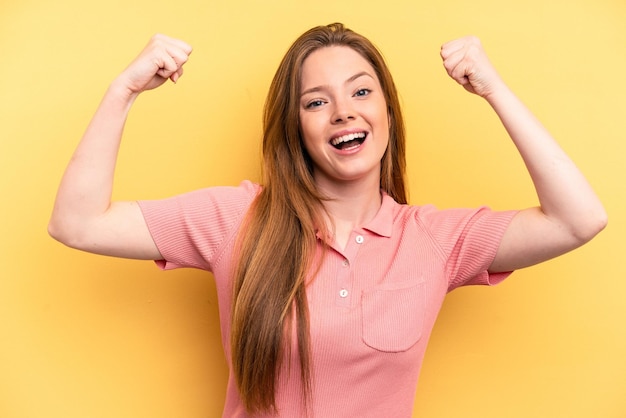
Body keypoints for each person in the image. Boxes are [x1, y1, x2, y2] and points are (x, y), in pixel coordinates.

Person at [48, 23, 607, 417]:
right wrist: (122, 91)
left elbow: (578, 219)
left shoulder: (436, 239)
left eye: (362, 92)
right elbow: (78, 223)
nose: (343, 111)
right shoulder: (235, 219)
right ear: (295, 128)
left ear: (386, 111)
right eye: (316, 102)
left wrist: (494, 90)